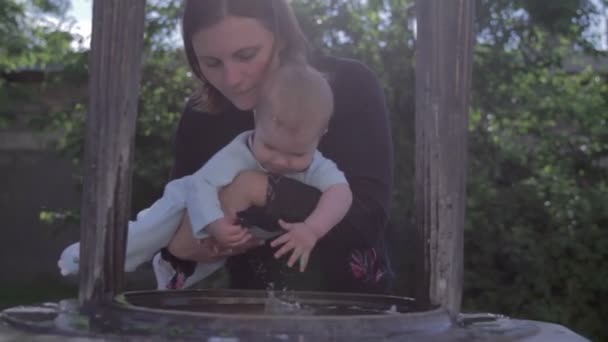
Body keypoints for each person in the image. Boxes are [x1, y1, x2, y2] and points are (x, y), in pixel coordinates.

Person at [158, 0, 395, 295]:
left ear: (281, 36)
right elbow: (173, 239)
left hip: (358, 311)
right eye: (211, 63)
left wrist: (257, 189)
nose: (231, 79)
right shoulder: (203, 115)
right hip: (253, 313)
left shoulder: (348, 85)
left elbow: (368, 219)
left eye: (246, 55)